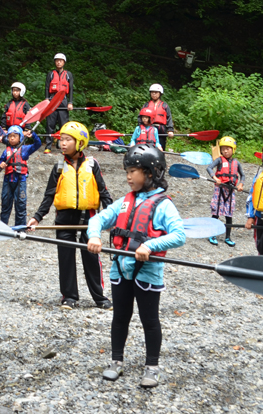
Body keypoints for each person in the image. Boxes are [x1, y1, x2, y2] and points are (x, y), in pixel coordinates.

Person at [86, 144, 186, 388]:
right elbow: (98, 218)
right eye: (127, 172)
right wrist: (95, 235)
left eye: (133, 171)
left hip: (148, 272)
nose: (128, 177)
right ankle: (116, 361)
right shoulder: (124, 202)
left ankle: (152, 366)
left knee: (149, 320)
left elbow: (179, 235)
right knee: (120, 317)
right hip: (120, 269)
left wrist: (150, 245)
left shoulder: (163, 205)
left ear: (151, 173)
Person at [29, 121, 113, 310]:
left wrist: (113, 217)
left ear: (80, 142)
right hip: (64, 219)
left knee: (91, 257)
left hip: (88, 219)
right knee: (66, 258)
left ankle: (99, 297)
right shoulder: (59, 167)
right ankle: (69, 296)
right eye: (61, 140)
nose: (63, 144)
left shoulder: (92, 165)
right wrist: (37, 217)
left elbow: (104, 192)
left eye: (68, 140)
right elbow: (49, 195)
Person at [205, 136, 244, 246]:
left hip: (231, 190)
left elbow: (243, 175)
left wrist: (241, 184)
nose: (225, 151)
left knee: (229, 215)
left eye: (228, 148)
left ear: (233, 149)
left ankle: (227, 237)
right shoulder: (219, 160)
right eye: (223, 149)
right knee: (216, 213)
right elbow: (209, 168)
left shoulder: (237, 162)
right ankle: (212, 234)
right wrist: (215, 178)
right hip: (220, 188)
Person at [0, 126, 41, 226]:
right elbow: (0, 161)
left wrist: (33, 135)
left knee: (20, 204)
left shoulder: (25, 149)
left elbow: (38, 144)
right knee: (5, 203)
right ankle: (2, 227)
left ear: (20, 137)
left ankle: (20, 227)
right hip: (8, 180)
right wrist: (0, 164)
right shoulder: (6, 151)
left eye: (14, 136)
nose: (12, 138)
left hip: (20, 180)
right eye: (10, 136)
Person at [43, 54, 74, 153]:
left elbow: (71, 89)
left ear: (64, 62)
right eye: (57, 60)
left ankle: (63, 147)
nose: (59, 62)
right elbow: (47, 87)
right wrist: (47, 99)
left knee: (64, 125)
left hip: (63, 100)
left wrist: (70, 102)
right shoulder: (51, 74)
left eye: (61, 60)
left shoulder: (68, 74)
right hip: (52, 100)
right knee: (50, 124)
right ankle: (48, 146)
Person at [141, 84, 173, 151]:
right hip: (148, 128)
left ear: (160, 94)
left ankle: (160, 159)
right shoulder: (146, 105)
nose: (154, 94)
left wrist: (170, 130)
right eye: (152, 92)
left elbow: (169, 118)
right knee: (148, 147)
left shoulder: (164, 105)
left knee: (160, 147)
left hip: (161, 128)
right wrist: (141, 127)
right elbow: (140, 116)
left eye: (156, 92)